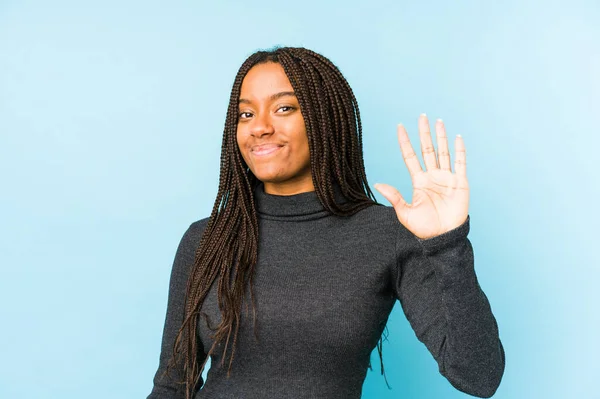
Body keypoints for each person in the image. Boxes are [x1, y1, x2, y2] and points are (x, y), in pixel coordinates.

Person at [147, 46, 505, 399]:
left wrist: (448, 244)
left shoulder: (386, 235)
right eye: (245, 115)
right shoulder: (206, 239)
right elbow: (171, 386)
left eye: (284, 108)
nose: (260, 128)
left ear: (324, 119)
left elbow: (478, 376)